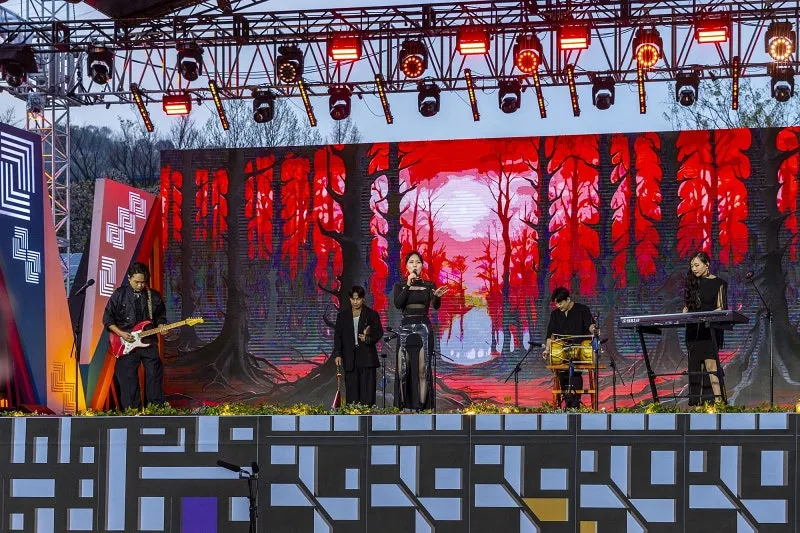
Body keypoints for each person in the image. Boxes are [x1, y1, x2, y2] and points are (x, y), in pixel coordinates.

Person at [103, 262, 168, 409]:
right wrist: (121, 333)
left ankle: (155, 409)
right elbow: (107, 320)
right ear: (129, 278)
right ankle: (132, 411)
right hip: (126, 342)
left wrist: (161, 326)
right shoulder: (119, 294)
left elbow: (161, 317)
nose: (140, 285)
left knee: (154, 374)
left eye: (143, 282)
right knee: (128, 378)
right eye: (136, 282)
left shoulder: (153, 296)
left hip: (148, 341)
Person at [392, 251, 448, 410]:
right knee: (403, 369)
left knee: (423, 369)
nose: (415, 265)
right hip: (406, 327)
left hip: (423, 326)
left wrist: (437, 296)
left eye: (417, 262)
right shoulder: (400, 285)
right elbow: (398, 304)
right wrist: (408, 285)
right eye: (411, 262)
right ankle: (403, 406)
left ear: (422, 266)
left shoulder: (429, 285)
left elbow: (436, 306)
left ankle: (422, 406)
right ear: (406, 266)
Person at [683, 251, 728, 405]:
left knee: (711, 365)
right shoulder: (692, 283)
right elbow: (688, 306)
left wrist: (708, 316)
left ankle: (719, 402)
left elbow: (721, 307)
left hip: (709, 329)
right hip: (693, 330)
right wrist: (685, 311)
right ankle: (697, 405)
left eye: (697, 265)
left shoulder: (719, 283)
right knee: (695, 367)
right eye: (692, 266)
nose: (694, 269)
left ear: (706, 264)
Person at [542, 287, 596, 408]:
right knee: (562, 373)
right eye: (556, 304)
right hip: (562, 352)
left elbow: (590, 325)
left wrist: (594, 329)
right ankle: (568, 404)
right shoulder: (555, 314)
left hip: (579, 352)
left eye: (560, 303)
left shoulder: (582, 309)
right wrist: (547, 349)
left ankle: (574, 405)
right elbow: (550, 335)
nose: (558, 306)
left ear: (568, 299)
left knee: (575, 373)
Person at [333, 285, 384, 406]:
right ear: (350, 299)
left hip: (367, 357)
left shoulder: (372, 314)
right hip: (350, 358)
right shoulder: (342, 316)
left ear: (363, 299)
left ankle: (368, 413)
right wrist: (338, 354)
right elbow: (338, 336)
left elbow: (379, 332)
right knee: (352, 392)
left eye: (358, 299)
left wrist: (368, 339)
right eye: (353, 299)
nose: (355, 302)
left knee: (367, 392)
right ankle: (353, 413)